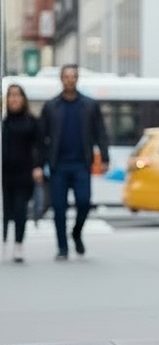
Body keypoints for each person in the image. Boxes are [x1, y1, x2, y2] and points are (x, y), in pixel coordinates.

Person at [38, 65, 109, 260]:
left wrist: (104, 157)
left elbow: (100, 133)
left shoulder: (89, 105)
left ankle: (76, 233)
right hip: (58, 165)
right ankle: (62, 247)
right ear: (61, 79)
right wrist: (39, 164)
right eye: (66, 76)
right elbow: (42, 138)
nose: (70, 80)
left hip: (81, 164)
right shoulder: (51, 106)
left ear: (77, 79)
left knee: (84, 203)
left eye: (73, 76)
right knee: (59, 208)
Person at [2, 84, 43, 263]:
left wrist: (38, 167)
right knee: (6, 209)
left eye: (18, 95)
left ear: (23, 99)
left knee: (20, 210)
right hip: (4, 173)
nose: (14, 99)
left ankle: (18, 243)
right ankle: (4, 239)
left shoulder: (32, 122)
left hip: (24, 174)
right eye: (11, 95)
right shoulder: (3, 123)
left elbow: (39, 147)